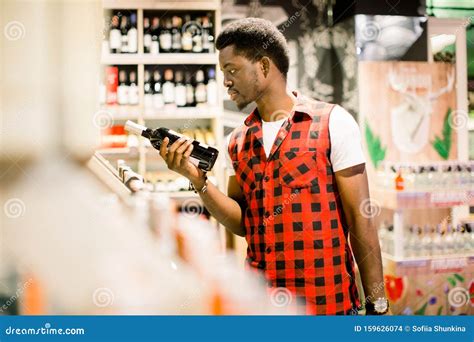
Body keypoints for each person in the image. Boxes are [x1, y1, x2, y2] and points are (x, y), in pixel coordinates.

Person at [158, 17, 388, 315]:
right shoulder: (238, 141)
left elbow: (361, 221)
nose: (225, 80)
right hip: (262, 308)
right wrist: (198, 181)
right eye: (223, 71)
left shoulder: (332, 123)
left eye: (232, 70)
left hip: (325, 306)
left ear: (264, 67)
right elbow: (244, 223)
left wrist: (377, 303)